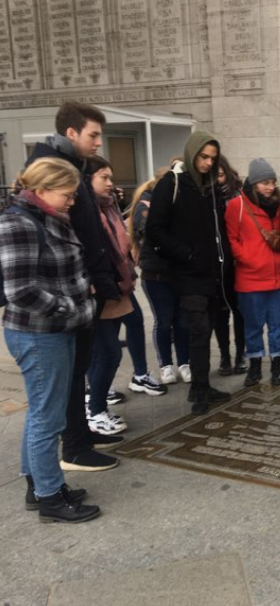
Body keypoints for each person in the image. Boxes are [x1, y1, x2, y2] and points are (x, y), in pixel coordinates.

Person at [0, 157, 100, 522]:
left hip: (54, 330)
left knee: (42, 412)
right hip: (39, 333)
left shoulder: (45, 216)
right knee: (48, 417)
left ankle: (39, 484)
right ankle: (50, 498)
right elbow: (20, 290)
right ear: (41, 190)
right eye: (67, 195)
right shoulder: (18, 222)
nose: (72, 202)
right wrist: (68, 308)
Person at [25, 101, 121, 471]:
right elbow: (58, 236)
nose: (98, 142)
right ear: (71, 132)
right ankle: (74, 447)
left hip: (84, 286)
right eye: (93, 135)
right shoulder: (51, 169)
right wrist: (88, 283)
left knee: (80, 368)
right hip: (69, 292)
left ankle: (81, 434)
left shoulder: (72, 166)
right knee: (67, 377)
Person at [145, 132, 232, 414]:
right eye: (203, 157)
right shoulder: (171, 184)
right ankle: (199, 390)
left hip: (211, 273)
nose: (208, 163)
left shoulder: (208, 186)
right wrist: (186, 255)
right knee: (198, 330)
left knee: (205, 330)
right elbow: (154, 230)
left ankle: (201, 385)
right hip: (187, 274)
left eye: (212, 158)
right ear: (192, 154)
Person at [87, 156, 166, 435]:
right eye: (104, 177)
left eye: (111, 177)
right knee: (106, 351)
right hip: (102, 288)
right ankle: (95, 404)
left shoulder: (108, 206)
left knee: (129, 327)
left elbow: (120, 242)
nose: (110, 183)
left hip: (120, 283)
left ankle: (133, 378)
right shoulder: (86, 211)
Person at [225, 158, 280, 387]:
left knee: (278, 325)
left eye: (273, 182)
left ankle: (277, 365)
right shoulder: (237, 206)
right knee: (253, 326)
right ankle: (254, 366)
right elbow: (232, 239)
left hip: (279, 277)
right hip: (250, 278)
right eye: (265, 182)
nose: (270, 187)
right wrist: (249, 259)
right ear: (254, 183)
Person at [128, 172, 190, 385]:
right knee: (164, 321)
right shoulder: (145, 205)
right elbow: (152, 233)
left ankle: (184, 363)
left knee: (182, 321)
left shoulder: (179, 203)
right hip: (155, 274)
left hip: (178, 273)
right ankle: (166, 365)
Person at [213, 154, 247, 377]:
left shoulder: (239, 195)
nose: (217, 179)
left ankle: (240, 354)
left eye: (220, 174)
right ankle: (224, 356)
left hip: (236, 261)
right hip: (216, 263)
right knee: (220, 313)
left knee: (239, 310)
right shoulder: (207, 196)